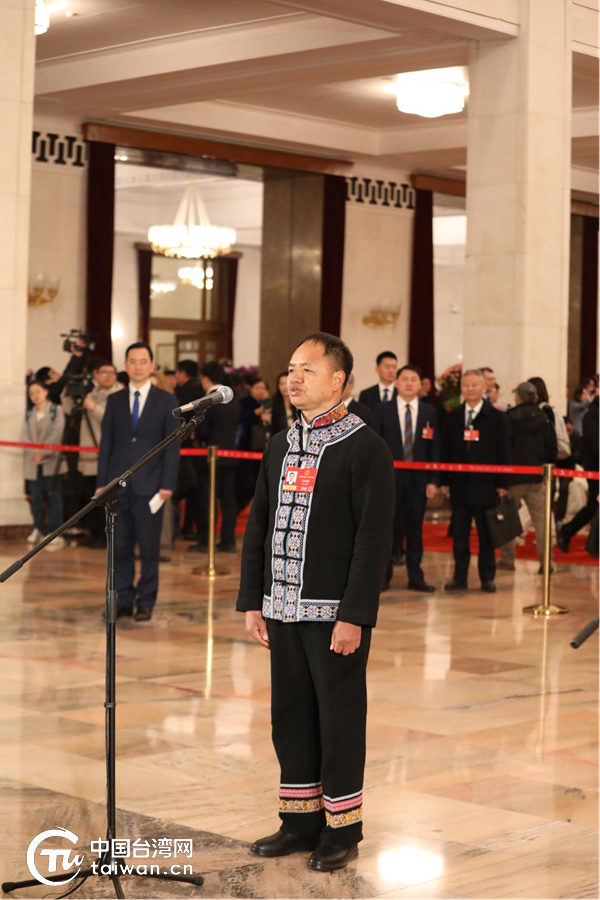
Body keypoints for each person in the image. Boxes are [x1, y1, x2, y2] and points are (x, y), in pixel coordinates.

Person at [237, 332, 394, 873]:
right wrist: (253, 600)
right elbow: (259, 524)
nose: (294, 378)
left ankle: (341, 828)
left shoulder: (365, 447)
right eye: (290, 368)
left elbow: (373, 541)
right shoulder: (280, 444)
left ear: (338, 380)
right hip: (280, 608)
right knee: (291, 717)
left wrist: (354, 615)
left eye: (307, 369)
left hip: (334, 616)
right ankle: (298, 822)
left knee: (338, 720)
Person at [96, 342, 179, 622]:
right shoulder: (115, 400)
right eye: (133, 361)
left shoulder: (166, 400)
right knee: (120, 547)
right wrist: (102, 483)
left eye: (143, 361)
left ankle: (146, 600)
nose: (138, 366)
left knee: (149, 548)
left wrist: (167, 484)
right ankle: (123, 599)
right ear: (125, 365)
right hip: (118, 487)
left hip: (151, 486)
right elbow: (106, 444)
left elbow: (172, 446)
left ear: (152, 366)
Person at [441, 368, 510, 593]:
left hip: (486, 486)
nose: (470, 389)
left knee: (486, 536)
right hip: (460, 486)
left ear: (484, 388)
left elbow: (504, 452)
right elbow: (445, 450)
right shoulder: (452, 417)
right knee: (460, 536)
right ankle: (459, 578)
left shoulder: (497, 417)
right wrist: (444, 479)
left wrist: (502, 483)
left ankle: (487, 577)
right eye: (466, 385)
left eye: (474, 385)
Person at [373, 365, 439, 592]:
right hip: (390, 480)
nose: (409, 383)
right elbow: (375, 445)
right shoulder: (383, 410)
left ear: (420, 384)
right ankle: (384, 576)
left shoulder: (429, 412)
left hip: (418, 480)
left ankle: (416, 576)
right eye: (405, 379)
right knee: (387, 529)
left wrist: (433, 480)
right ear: (397, 383)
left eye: (414, 379)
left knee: (415, 530)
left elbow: (434, 447)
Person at [61, 359, 123, 547]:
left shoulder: (121, 394)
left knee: (109, 499)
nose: (108, 376)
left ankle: (109, 537)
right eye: (104, 372)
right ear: (95, 375)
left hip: (109, 456)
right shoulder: (90, 393)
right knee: (92, 498)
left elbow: (116, 420)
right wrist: (68, 389)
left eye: (111, 373)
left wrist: (94, 408)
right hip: (88, 456)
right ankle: (95, 534)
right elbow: (68, 408)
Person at [498, 382, 557, 573]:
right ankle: (546, 563)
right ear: (535, 398)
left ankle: (507, 560)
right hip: (537, 476)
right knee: (541, 522)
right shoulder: (544, 418)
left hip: (513, 477)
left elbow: (503, 448)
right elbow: (552, 448)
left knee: (508, 518)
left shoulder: (509, 417)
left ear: (518, 397)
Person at [188, 361, 240, 554]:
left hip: (210, 457)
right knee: (228, 500)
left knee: (208, 500)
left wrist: (195, 434)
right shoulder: (233, 400)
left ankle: (206, 540)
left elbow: (202, 431)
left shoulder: (209, 400)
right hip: (230, 455)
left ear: (206, 379)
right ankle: (228, 541)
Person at [23, 381, 67, 549]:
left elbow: (57, 434)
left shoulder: (56, 410)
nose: (35, 396)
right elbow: (24, 435)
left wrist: (43, 452)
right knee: (36, 497)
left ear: (46, 392)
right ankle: (37, 528)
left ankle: (55, 531)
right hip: (33, 463)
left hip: (52, 462)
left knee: (55, 497)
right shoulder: (29, 413)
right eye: (31, 393)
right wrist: (34, 453)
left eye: (38, 391)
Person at [557, 392, 600, 553]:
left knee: (594, 505)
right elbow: (594, 444)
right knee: (594, 504)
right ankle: (567, 531)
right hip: (596, 468)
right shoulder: (593, 413)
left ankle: (567, 531)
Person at [236, 377, 271, 513]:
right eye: (258, 388)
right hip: (246, 445)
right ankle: (240, 505)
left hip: (263, 446)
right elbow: (240, 418)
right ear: (250, 389)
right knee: (246, 481)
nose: (261, 391)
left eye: (263, 388)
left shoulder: (267, 403)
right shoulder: (244, 402)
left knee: (259, 480)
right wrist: (256, 413)